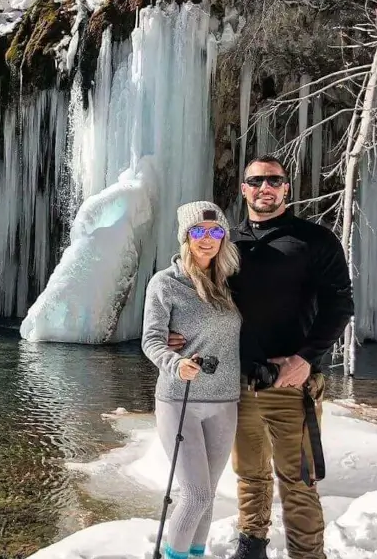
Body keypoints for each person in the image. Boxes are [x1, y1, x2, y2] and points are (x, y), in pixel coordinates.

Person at [168, 156, 354, 559]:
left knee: (298, 479)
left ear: (286, 188)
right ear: (244, 189)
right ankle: (251, 547)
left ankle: (308, 554)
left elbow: (340, 306)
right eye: (256, 181)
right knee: (249, 474)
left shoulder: (314, 240)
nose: (265, 188)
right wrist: (173, 331)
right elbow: (193, 287)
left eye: (274, 180)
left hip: (293, 381)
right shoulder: (226, 243)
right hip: (238, 381)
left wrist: (306, 359)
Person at [141, 201, 242, 559]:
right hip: (178, 399)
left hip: (225, 401)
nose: (208, 239)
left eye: (216, 232)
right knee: (195, 493)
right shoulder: (165, 284)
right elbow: (151, 339)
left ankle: (195, 555)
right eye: (198, 231)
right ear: (186, 236)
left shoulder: (232, 281)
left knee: (208, 493)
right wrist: (174, 362)